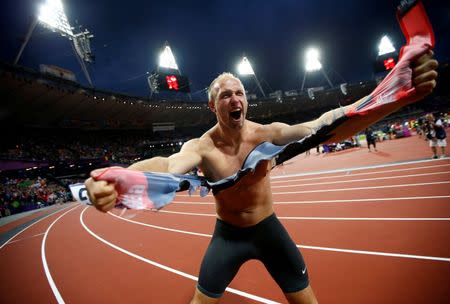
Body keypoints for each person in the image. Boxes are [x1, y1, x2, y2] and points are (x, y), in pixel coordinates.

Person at [85, 46, 438, 303]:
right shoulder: (202, 147)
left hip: (269, 231)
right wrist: (117, 178)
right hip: (228, 238)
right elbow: (166, 165)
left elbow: (326, 124)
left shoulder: (267, 134)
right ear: (213, 106)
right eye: (225, 95)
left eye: (239, 92)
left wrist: (397, 97)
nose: (234, 98)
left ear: (246, 100)